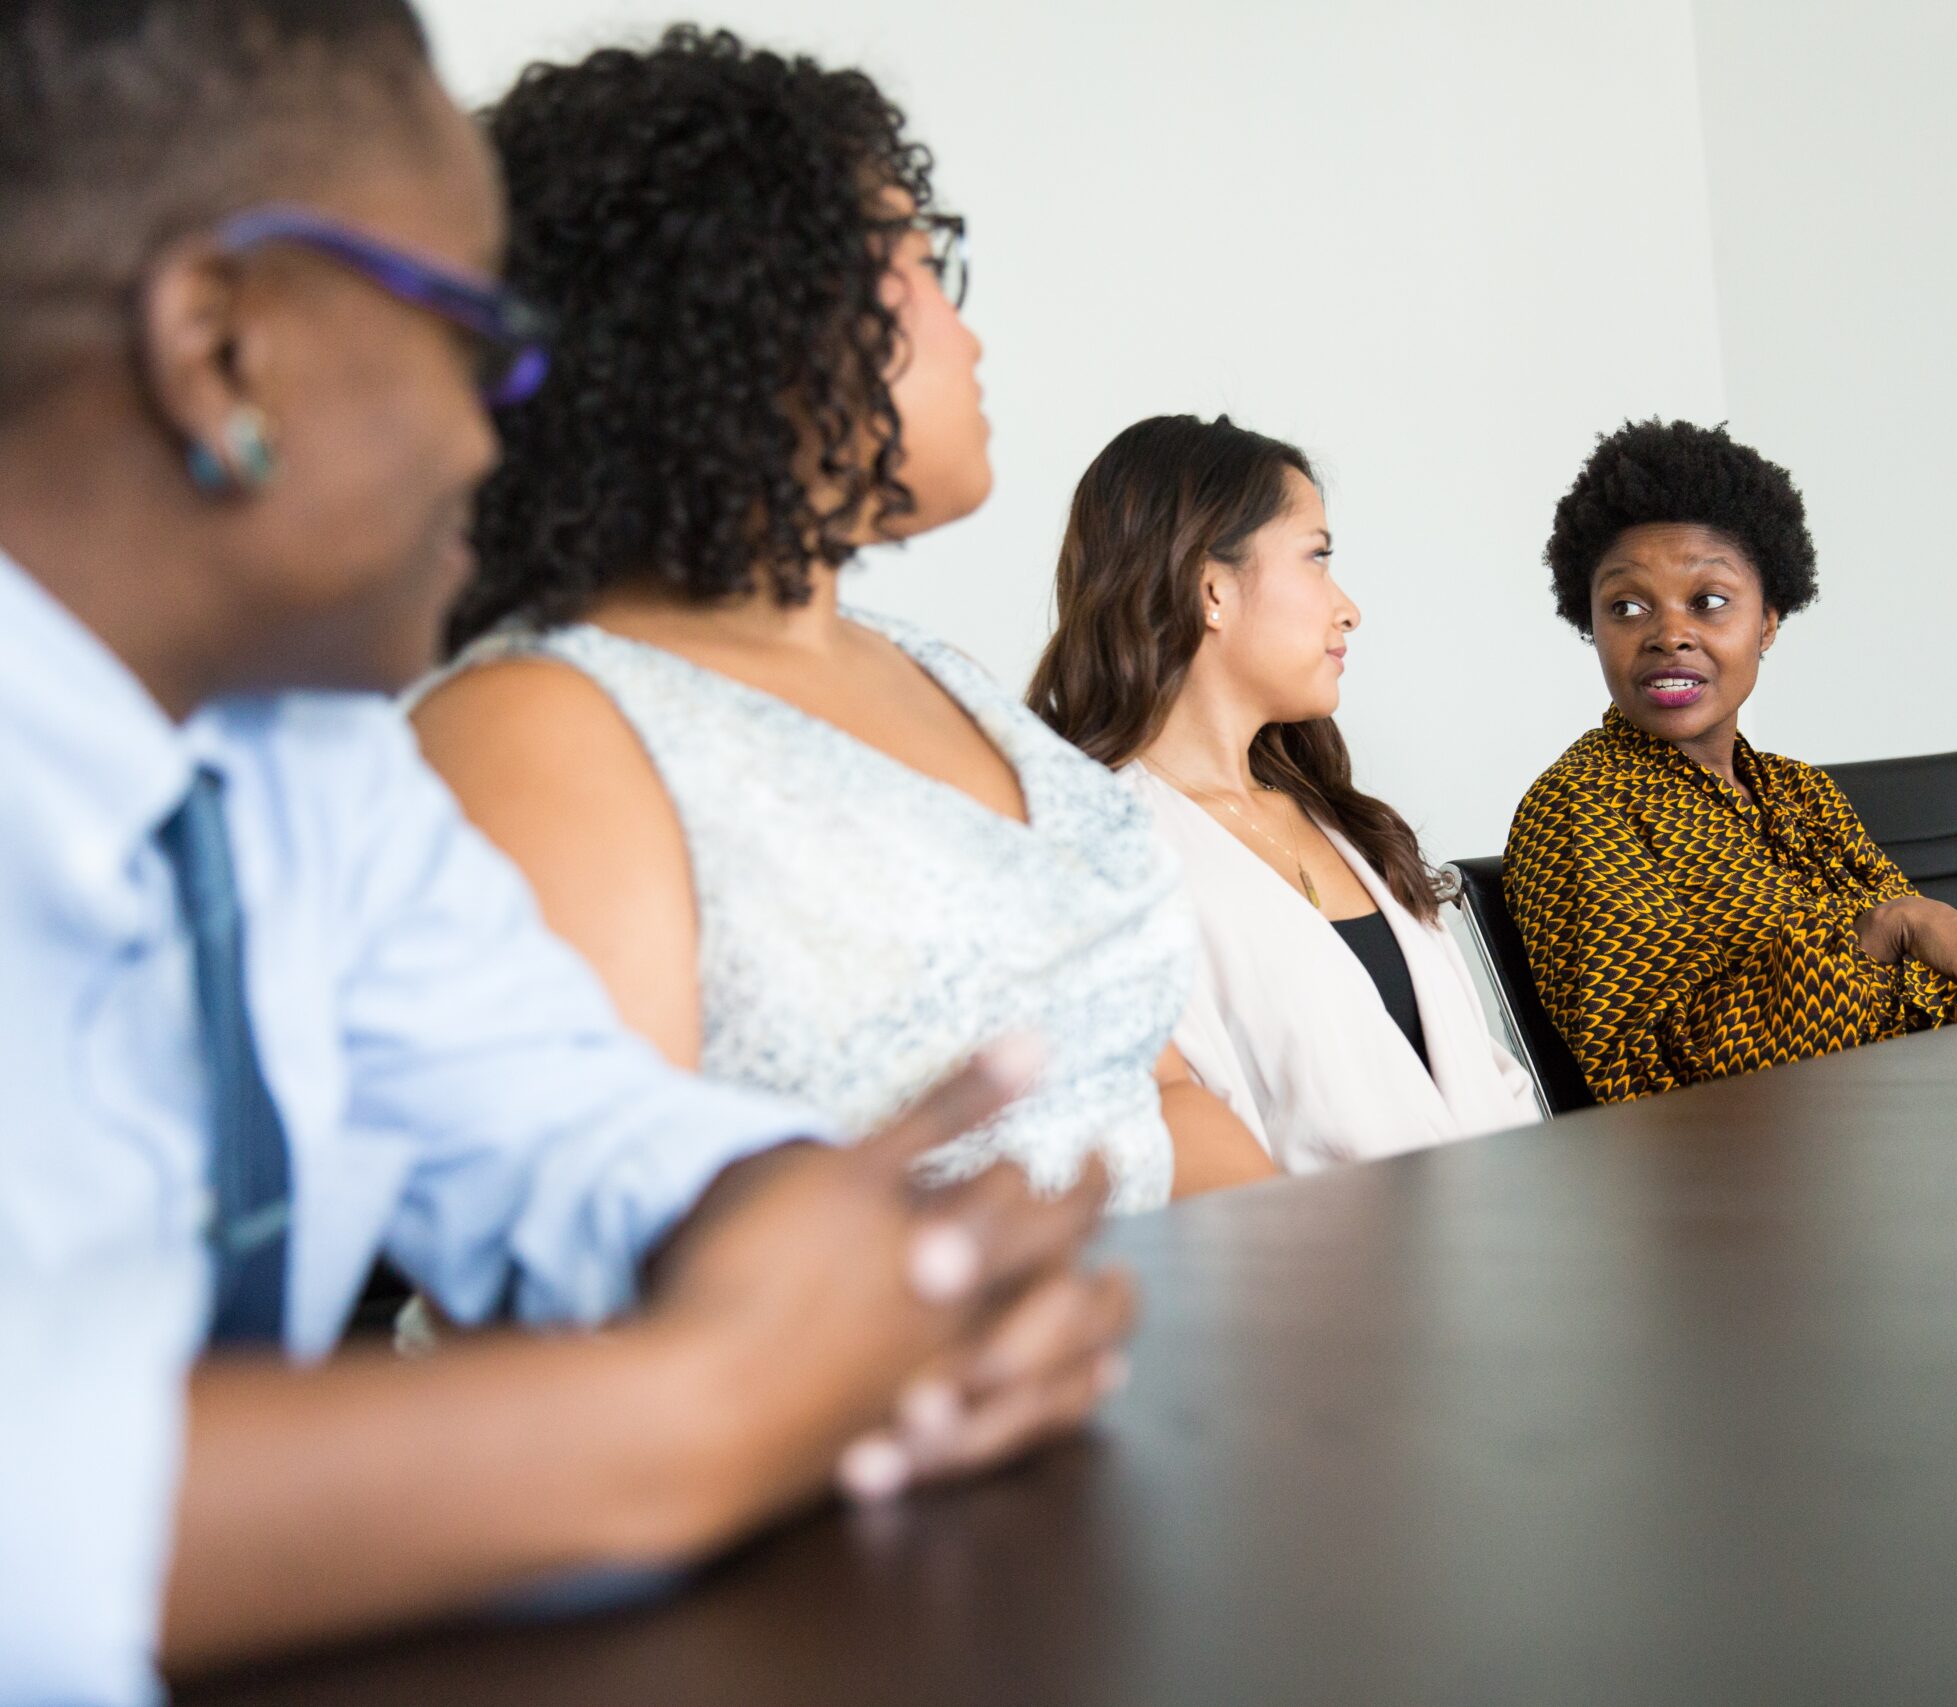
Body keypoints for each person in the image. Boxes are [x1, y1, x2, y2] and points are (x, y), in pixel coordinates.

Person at [0, 5, 1130, 1698]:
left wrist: (860, 1267)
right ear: (219, 351)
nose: (504, 422)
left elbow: (572, 1129)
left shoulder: (305, 767)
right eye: (474, 330)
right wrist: (715, 1405)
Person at [412, 29, 1272, 1210]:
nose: (965, 332)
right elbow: (599, 1298)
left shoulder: (940, 675)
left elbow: (1154, 1095)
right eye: (923, 262)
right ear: (751, 301)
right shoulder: (539, 727)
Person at [1505, 419, 1957, 1103]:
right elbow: (1649, 1077)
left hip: (1904, 1118)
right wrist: (1882, 929)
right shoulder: (1579, 808)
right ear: (1592, 627)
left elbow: (1929, 975)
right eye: (1626, 606)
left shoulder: (1801, 792)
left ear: (1768, 621)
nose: (1668, 634)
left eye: (1709, 602)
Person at [1029, 415, 1541, 1169]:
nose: (1347, 607)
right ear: (1211, 588)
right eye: (1317, 556)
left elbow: (1490, 1081)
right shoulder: (1103, 853)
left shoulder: (1345, 822)